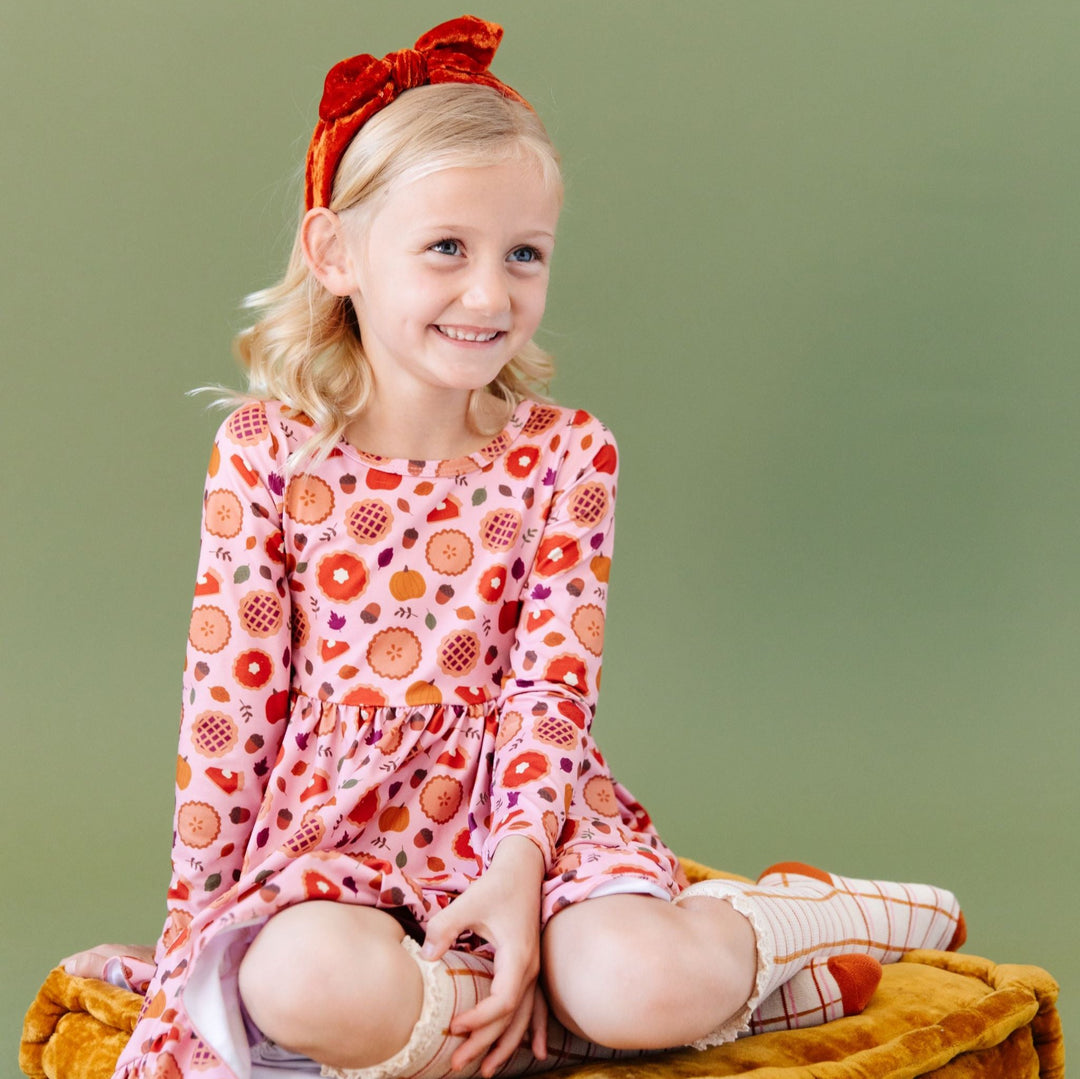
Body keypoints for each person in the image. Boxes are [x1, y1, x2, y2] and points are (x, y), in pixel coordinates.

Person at [62, 16, 965, 1079]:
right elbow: (228, 713)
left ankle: (789, 922)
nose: (491, 294)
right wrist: (187, 940)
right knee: (298, 982)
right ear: (335, 252)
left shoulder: (565, 453)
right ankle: (554, 1015)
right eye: (447, 247)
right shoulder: (263, 454)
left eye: (523, 255)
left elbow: (549, 689)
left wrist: (519, 875)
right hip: (334, 844)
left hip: (527, 816)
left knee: (641, 981)